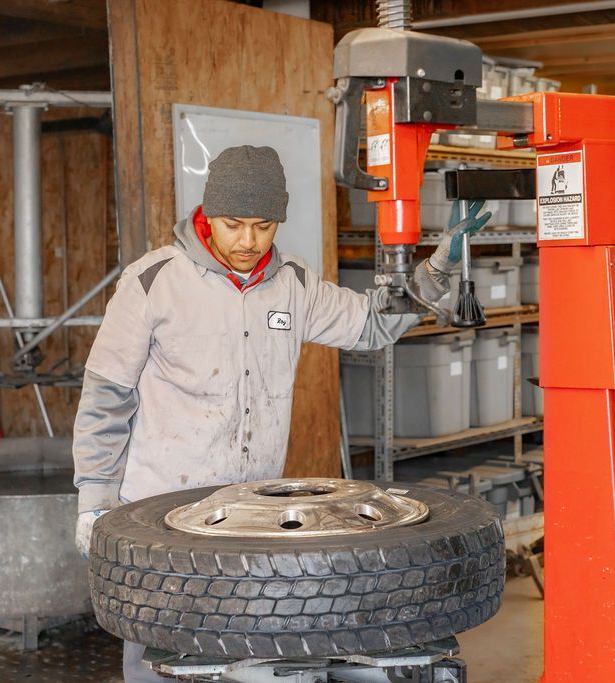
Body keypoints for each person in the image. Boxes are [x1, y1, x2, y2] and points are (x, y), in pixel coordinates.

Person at [71, 145, 489, 681]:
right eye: (233, 224)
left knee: (251, 653)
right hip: (162, 522)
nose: (248, 241)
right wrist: (95, 501)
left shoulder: (293, 284)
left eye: (264, 226)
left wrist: (439, 266)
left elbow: (371, 324)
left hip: (252, 516)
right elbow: (106, 398)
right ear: (207, 215)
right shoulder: (153, 282)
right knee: (162, 661)